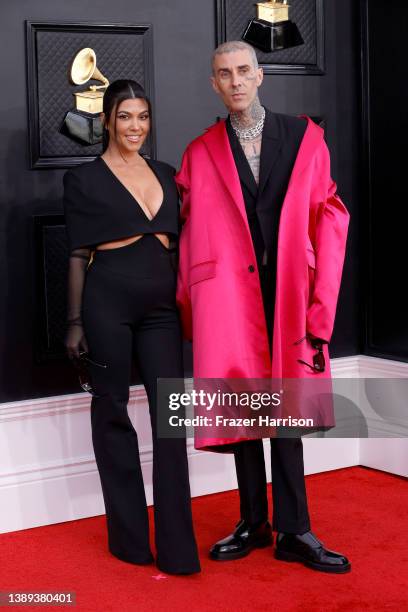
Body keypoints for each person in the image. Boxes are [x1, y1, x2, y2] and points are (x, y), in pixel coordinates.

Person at [176, 41, 351, 573]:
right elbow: (187, 232)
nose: (235, 81)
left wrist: (322, 303)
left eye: (243, 71)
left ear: (260, 76)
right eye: (223, 74)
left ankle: (294, 529)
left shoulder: (303, 138)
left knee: (288, 410)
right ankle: (253, 521)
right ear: (213, 83)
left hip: (289, 291)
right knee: (240, 405)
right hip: (230, 295)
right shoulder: (201, 150)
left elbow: (330, 218)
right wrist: (195, 307)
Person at [63, 79, 200, 575]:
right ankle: (128, 539)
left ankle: (178, 546)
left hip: (162, 306)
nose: (135, 126)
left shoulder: (167, 173)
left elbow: (185, 243)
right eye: (125, 117)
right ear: (107, 122)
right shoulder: (83, 178)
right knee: (113, 411)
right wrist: (75, 321)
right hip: (107, 301)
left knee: (171, 420)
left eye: (142, 116)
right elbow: (78, 253)